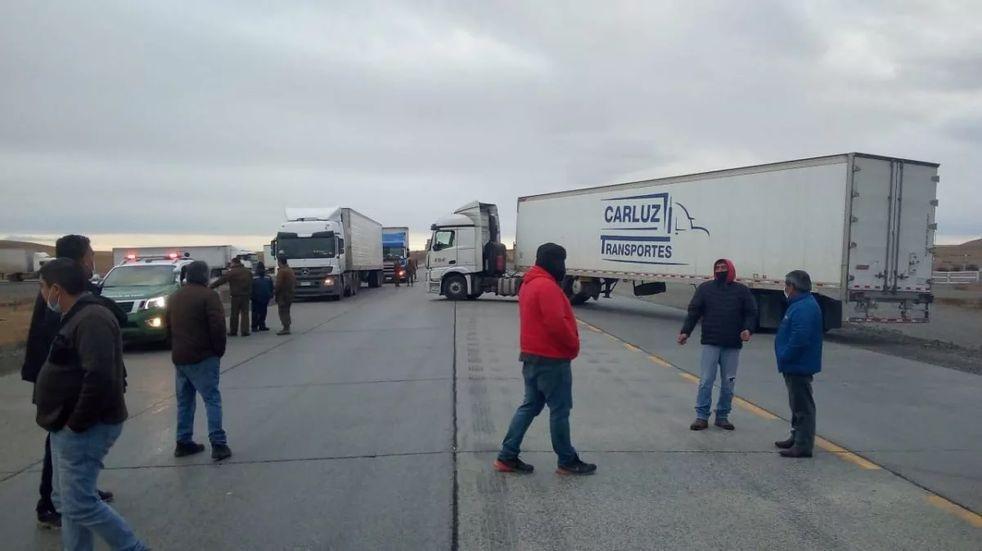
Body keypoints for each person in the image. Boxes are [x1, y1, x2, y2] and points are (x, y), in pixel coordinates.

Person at [34, 258, 148, 550]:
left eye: (43, 288)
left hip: (85, 427)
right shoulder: (75, 315)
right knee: (68, 504)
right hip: (67, 424)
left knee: (80, 504)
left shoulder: (91, 319)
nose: (43, 294)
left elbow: (99, 376)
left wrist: (76, 424)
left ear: (57, 289)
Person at [21, 235, 120, 529]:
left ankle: (80, 492)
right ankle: (51, 503)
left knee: (68, 446)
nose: (92, 260)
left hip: (60, 380)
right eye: (90, 255)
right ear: (79, 261)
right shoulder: (64, 295)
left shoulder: (64, 292)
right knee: (60, 444)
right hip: (62, 384)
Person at [494, 243, 596, 476]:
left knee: (530, 406)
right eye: (561, 261)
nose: (563, 266)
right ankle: (567, 461)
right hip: (551, 358)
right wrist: (573, 345)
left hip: (531, 356)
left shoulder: (529, 284)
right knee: (560, 410)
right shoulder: (546, 287)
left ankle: (507, 456)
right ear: (554, 262)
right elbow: (556, 323)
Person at [678, 259, 758, 431]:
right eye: (717, 268)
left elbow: (751, 313)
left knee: (728, 383)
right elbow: (694, 312)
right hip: (711, 342)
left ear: (730, 269)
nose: (720, 270)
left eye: (723, 267)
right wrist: (686, 331)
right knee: (706, 380)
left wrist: (748, 330)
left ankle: (722, 415)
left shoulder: (742, 291)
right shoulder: (705, 289)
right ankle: (701, 416)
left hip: (732, 344)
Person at [166, 260, 232, 461]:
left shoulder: (175, 296)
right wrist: (218, 350)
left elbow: (168, 326)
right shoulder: (209, 296)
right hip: (203, 356)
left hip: (180, 357)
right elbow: (218, 326)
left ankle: (183, 441)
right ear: (204, 275)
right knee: (212, 399)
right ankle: (218, 444)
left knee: (185, 402)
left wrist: (175, 347)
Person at [774, 270, 823, 458]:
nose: (785, 289)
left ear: (793, 287)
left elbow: (800, 338)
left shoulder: (804, 307)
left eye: (787, 285)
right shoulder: (799, 304)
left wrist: (786, 355)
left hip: (798, 364)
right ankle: (796, 436)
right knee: (795, 403)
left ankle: (803, 444)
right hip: (794, 364)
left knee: (803, 405)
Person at [210, 257, 252, 337]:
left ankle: (233, 331)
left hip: (235, 296)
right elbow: (251, 282)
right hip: (246, 296)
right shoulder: (247, 271)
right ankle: (245, 331)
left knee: (234, 314)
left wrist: (210, 287)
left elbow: (221, 281)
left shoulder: (231, 272)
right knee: (245, 314)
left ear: (234, 263)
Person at [274, 255, 296, 336]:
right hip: (289, 294)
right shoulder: (290, 270)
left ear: (280, 262)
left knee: (283, 311)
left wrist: (275, 292)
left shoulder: (282, 271)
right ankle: (287, 326)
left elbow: (278, 284)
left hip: (283, 295)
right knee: (287, 310)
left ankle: (285, 328)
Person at [251, 261, 274, 332]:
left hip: (256, 297)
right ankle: (261, 325)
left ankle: (255, 326)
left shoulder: (253, 277)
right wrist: (270, 294)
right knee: (263, 312)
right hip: (264, 297)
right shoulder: (268, 277)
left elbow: (250, 287)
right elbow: (271, 287)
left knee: (256, 312)